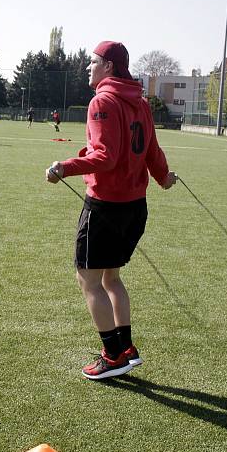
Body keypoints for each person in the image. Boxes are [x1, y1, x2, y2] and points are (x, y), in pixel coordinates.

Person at [46, 41, 176, 380]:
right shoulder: (142, 103)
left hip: (106, 207)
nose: (88, 67)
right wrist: (163, 178)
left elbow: (105, 157)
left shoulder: (102, 101)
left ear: (109, 67)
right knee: (111, 278)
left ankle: (113, 355)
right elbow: (152, 151)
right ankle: (127, 348)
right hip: (135, 208)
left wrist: (64, 166)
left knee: (88, 279)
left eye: (93, 62)